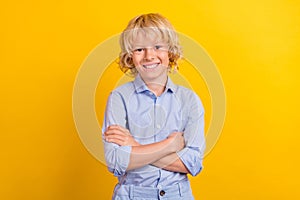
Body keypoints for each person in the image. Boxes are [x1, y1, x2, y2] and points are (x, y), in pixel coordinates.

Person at [102, 13, 205, 200]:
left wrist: (134, 146)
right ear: (130, 57)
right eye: (140, 49)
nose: (149, 56)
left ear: (170, 52)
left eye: (157, 47)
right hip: (132, 195)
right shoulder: (119, 98)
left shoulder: (189, 100)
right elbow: (116, 161)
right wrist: (169, 145)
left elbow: (192, 164)